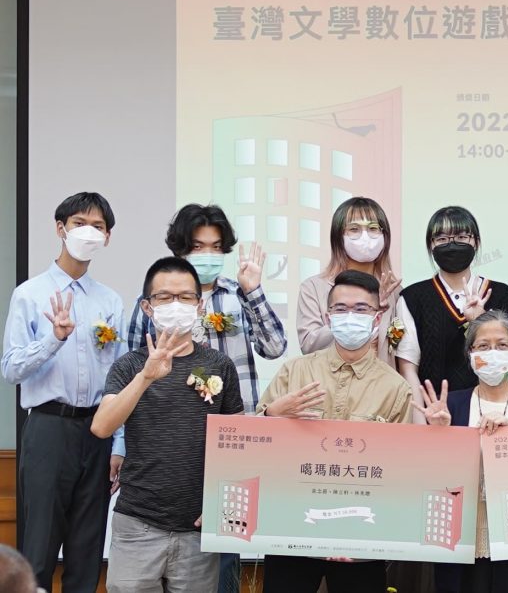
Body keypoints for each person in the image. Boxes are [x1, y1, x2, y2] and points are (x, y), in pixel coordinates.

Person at [124, 204, 286, 593]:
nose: (208, 256)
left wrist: (253, 289)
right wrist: (118, 445)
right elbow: (129, 375)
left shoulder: (237, 295)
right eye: (198, 247)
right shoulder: (153, 304)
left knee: (225, 542)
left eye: (216, 248)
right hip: (170, 446)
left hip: (232, 441)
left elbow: (275, 346)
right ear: (179, 249)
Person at [92, 256, 244, 593]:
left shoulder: (220, 365)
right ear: (147, 307)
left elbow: (237, 443)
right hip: (138, 525)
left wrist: (220, 502)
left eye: (185, 297)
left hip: (196, 527)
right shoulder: (129, 365)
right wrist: (146, 377)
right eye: (164, 297)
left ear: (199, 305)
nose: (176, 304)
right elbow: (102, 427)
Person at [257, 270, 414, 593]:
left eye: (361, 309)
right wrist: (272, 415)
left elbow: (401, 473)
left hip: (362, 541)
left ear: (377, 318)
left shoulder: (395, 388)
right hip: (291, 530)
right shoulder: (294, 372)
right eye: (341, 309)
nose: (350, 317)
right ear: (328, 317)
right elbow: (253, 448)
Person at [1, 192, 125, 593]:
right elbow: (10, 368)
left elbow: (119, 379)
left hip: (97, 431)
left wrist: (119, 443)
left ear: (107, 237)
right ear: (60, 229)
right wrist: (53, 340)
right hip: (49, 429)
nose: (88, 232)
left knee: (86, 552)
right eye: (79, 223)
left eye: (98, 226)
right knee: (38, 550)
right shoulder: (30, 293)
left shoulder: (110, 300)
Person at [414, 310, 508, 593]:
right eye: (483, 346)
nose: (493, 353)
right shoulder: (449, 406)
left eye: (502, 345)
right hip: (461, 549)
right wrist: (440, 436)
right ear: (470, 354)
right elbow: (428, 481)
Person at [396, 206, 508, 424]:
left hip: (494, 414)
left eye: (462, 237)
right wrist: (420, 423)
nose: (451, 244)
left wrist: (480, 322)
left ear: (476, 242)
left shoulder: (505, 296)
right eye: (442, 239)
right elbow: (408, 368)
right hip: (434, 416)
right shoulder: (412, 298)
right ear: (431, 245)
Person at [296, 197, 401, 362]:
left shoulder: (396, 292)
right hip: (331, 377)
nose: (365, 236)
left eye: (373, 228)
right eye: (354, 229)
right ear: (338, 237)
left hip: (381, 377)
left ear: (385, 236)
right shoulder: (313, 287)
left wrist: (378, 311)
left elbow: (400, 350)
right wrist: (350, 317)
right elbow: (309, 346)